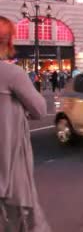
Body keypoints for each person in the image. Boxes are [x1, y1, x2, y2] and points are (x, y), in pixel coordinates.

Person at [0, 16, 52, 231]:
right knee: (22, 219)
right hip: (8, 164)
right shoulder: (11, 73)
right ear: (8, 41)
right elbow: (40, 110)